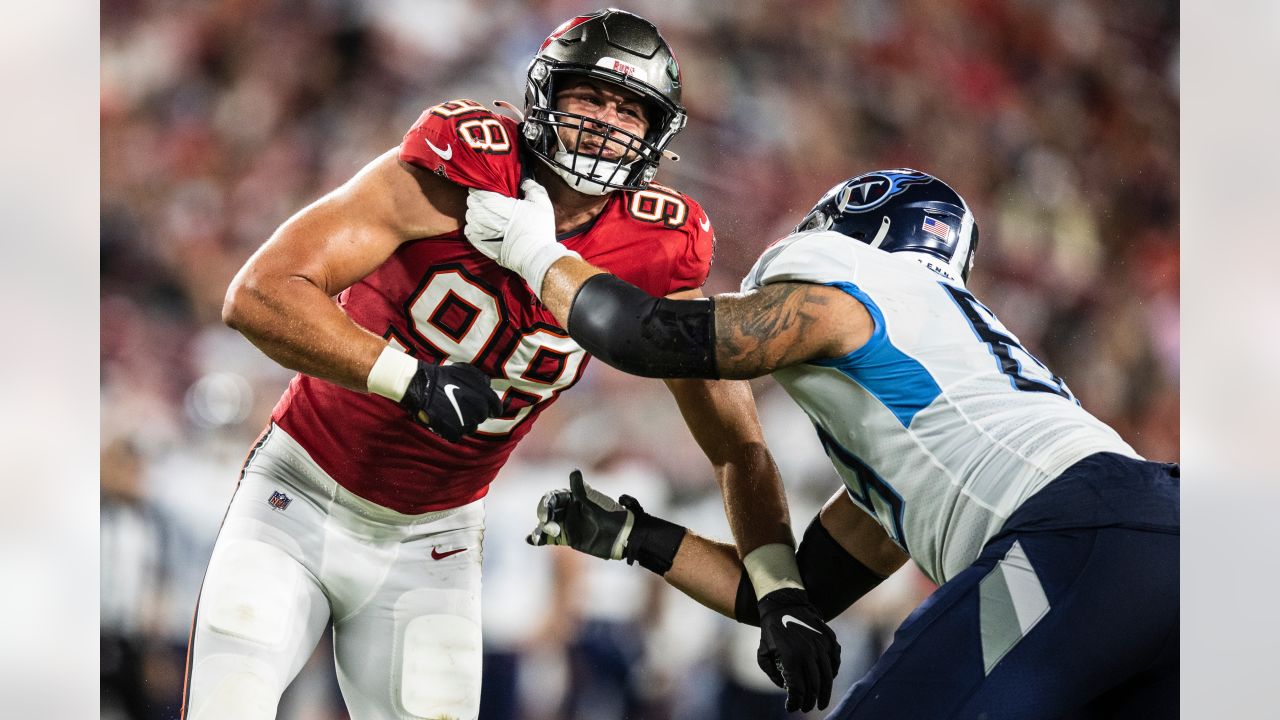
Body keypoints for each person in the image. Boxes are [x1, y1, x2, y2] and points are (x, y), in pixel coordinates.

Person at [183, 9, 840, 719]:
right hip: (299, 495)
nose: (604, 122)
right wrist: (408, 378)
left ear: (657, 136)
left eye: (629, 108)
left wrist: (779, 590)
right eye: (589, 95)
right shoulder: (459, 167)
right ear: (544, 98)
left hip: (432, 541)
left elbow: (736, 444)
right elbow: (259, 293)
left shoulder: (658, 248)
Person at [461, 168, 1180, 717]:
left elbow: (646, 336)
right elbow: (780, 595)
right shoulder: (928, 433)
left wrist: (530, 249)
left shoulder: (859, 288)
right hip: (1164, 533)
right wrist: (636, 536)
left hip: (1078, 535)